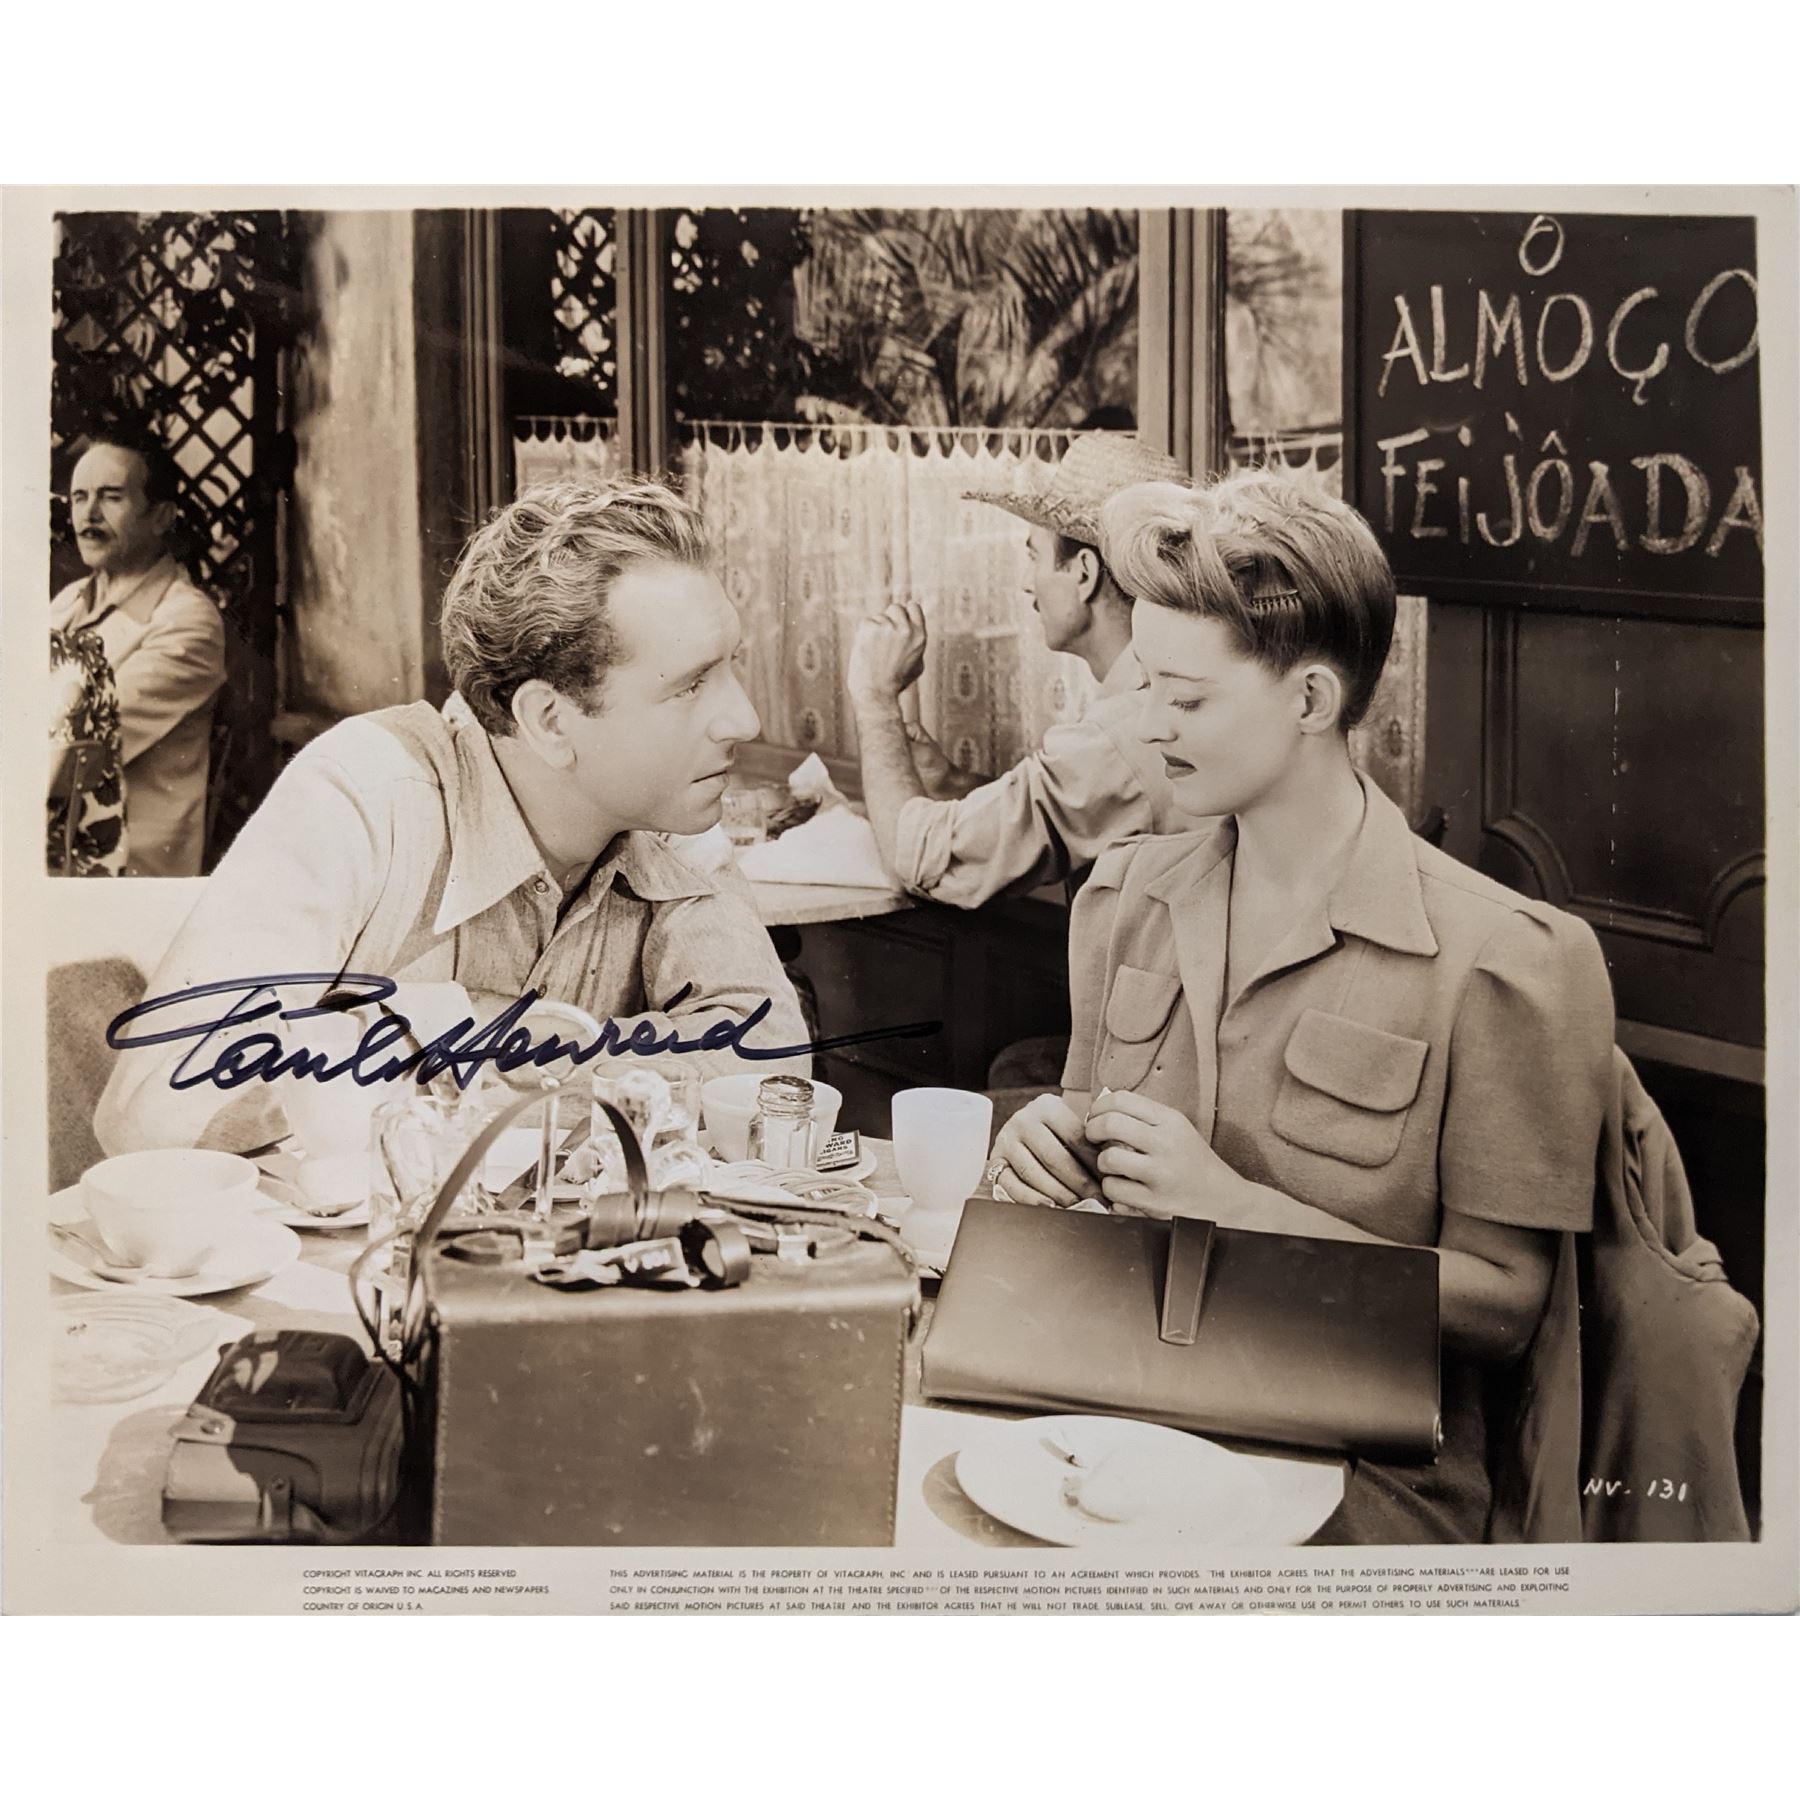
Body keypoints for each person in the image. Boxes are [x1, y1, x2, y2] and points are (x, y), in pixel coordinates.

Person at [989, 468, 1616, 1545]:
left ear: (1313, 702)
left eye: (1187, 699)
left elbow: (1505, 1309)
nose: (1149, 725)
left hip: (1360, 1474)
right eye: (1146, 687)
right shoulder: (1124, 896)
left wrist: (1232, 1209)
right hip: (1114, 1410)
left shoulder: (1508, 961)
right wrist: (1047, 1147)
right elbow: (1091, 1161)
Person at [97, 479, 810, 1157]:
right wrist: (463, 1025)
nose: (743, 718)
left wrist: (515, 1051)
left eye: (731, 667)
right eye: (690, 685)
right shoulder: (366, 793)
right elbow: (156, 1111)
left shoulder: (671, 816)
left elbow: (772, 1071)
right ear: (549, 720)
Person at [847, 434, 1192, 909]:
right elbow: (1058, 808)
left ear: (1084, 573)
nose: (1028, 584)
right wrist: (950, 781)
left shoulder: (1119, 736)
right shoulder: (1160, 694)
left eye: (1034, 556)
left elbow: (919, 861)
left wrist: (874, 699)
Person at [49, 425, 226, 876]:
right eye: (79, 497)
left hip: (124, 870)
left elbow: (74, 748)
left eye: (111, 497)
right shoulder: (68, 603)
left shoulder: (187, 621)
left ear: (162, 517)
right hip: (50, 845)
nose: (89, 514)